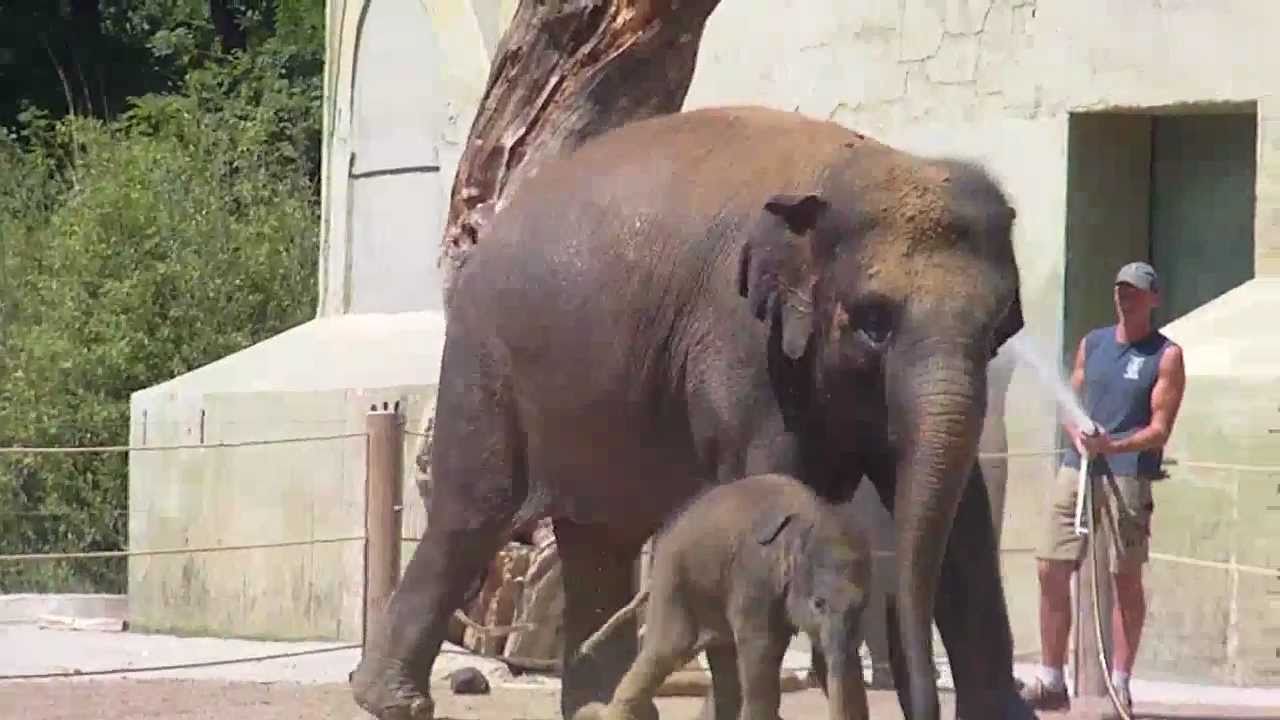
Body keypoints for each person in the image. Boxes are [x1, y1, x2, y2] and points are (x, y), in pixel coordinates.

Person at [1019, 261, 1187, 713]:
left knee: (1124, 578)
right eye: (1119, 289)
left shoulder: (1165, 355)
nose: (1124, 296)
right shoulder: (1092, 344)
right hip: (1078, 468)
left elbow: (1159, 429)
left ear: (1153, 298)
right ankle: (1052, 680)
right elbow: (1068, 401)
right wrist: (1078, 434)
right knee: (1050, 567)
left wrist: (1113, 445)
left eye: (1134, 291)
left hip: (1128, 474)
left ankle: (1120, 683)